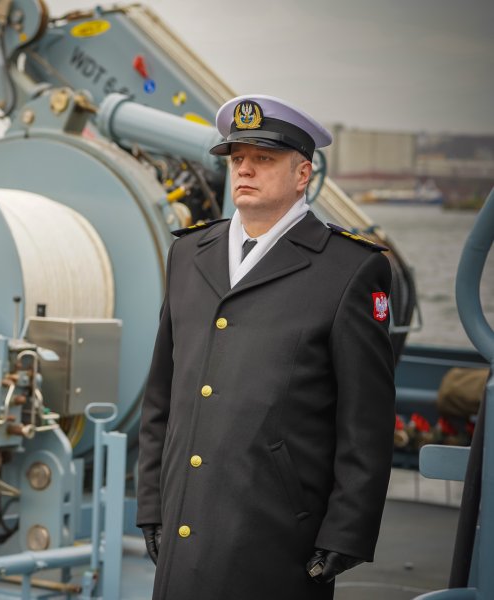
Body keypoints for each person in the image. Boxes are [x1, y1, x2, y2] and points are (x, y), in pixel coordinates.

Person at [136, 94, 395, 599]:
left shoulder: (349, 269)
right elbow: (160, 398)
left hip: (276, 535)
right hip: (184, 525)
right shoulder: (190, 253)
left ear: (302, 174)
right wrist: (150, 505)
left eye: (263, 159)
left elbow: (366, 421)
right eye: (237, 160)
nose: (245, 171)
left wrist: (346, 532)